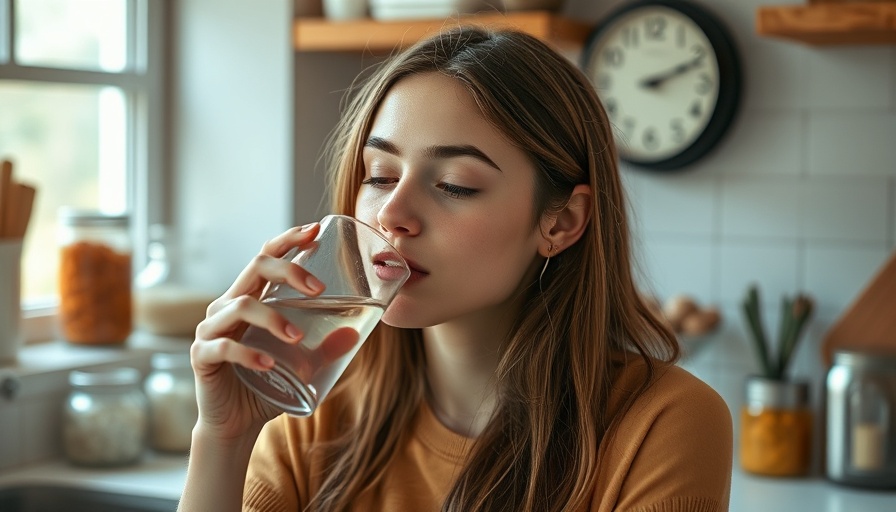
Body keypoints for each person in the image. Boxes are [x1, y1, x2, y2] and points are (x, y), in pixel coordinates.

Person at [178, 26, 733, 512]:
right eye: (378, 174)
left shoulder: (664, 424)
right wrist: (223, 441)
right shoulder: (305, 421)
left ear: (560, 222)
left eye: (454, 185)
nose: (393, 213)